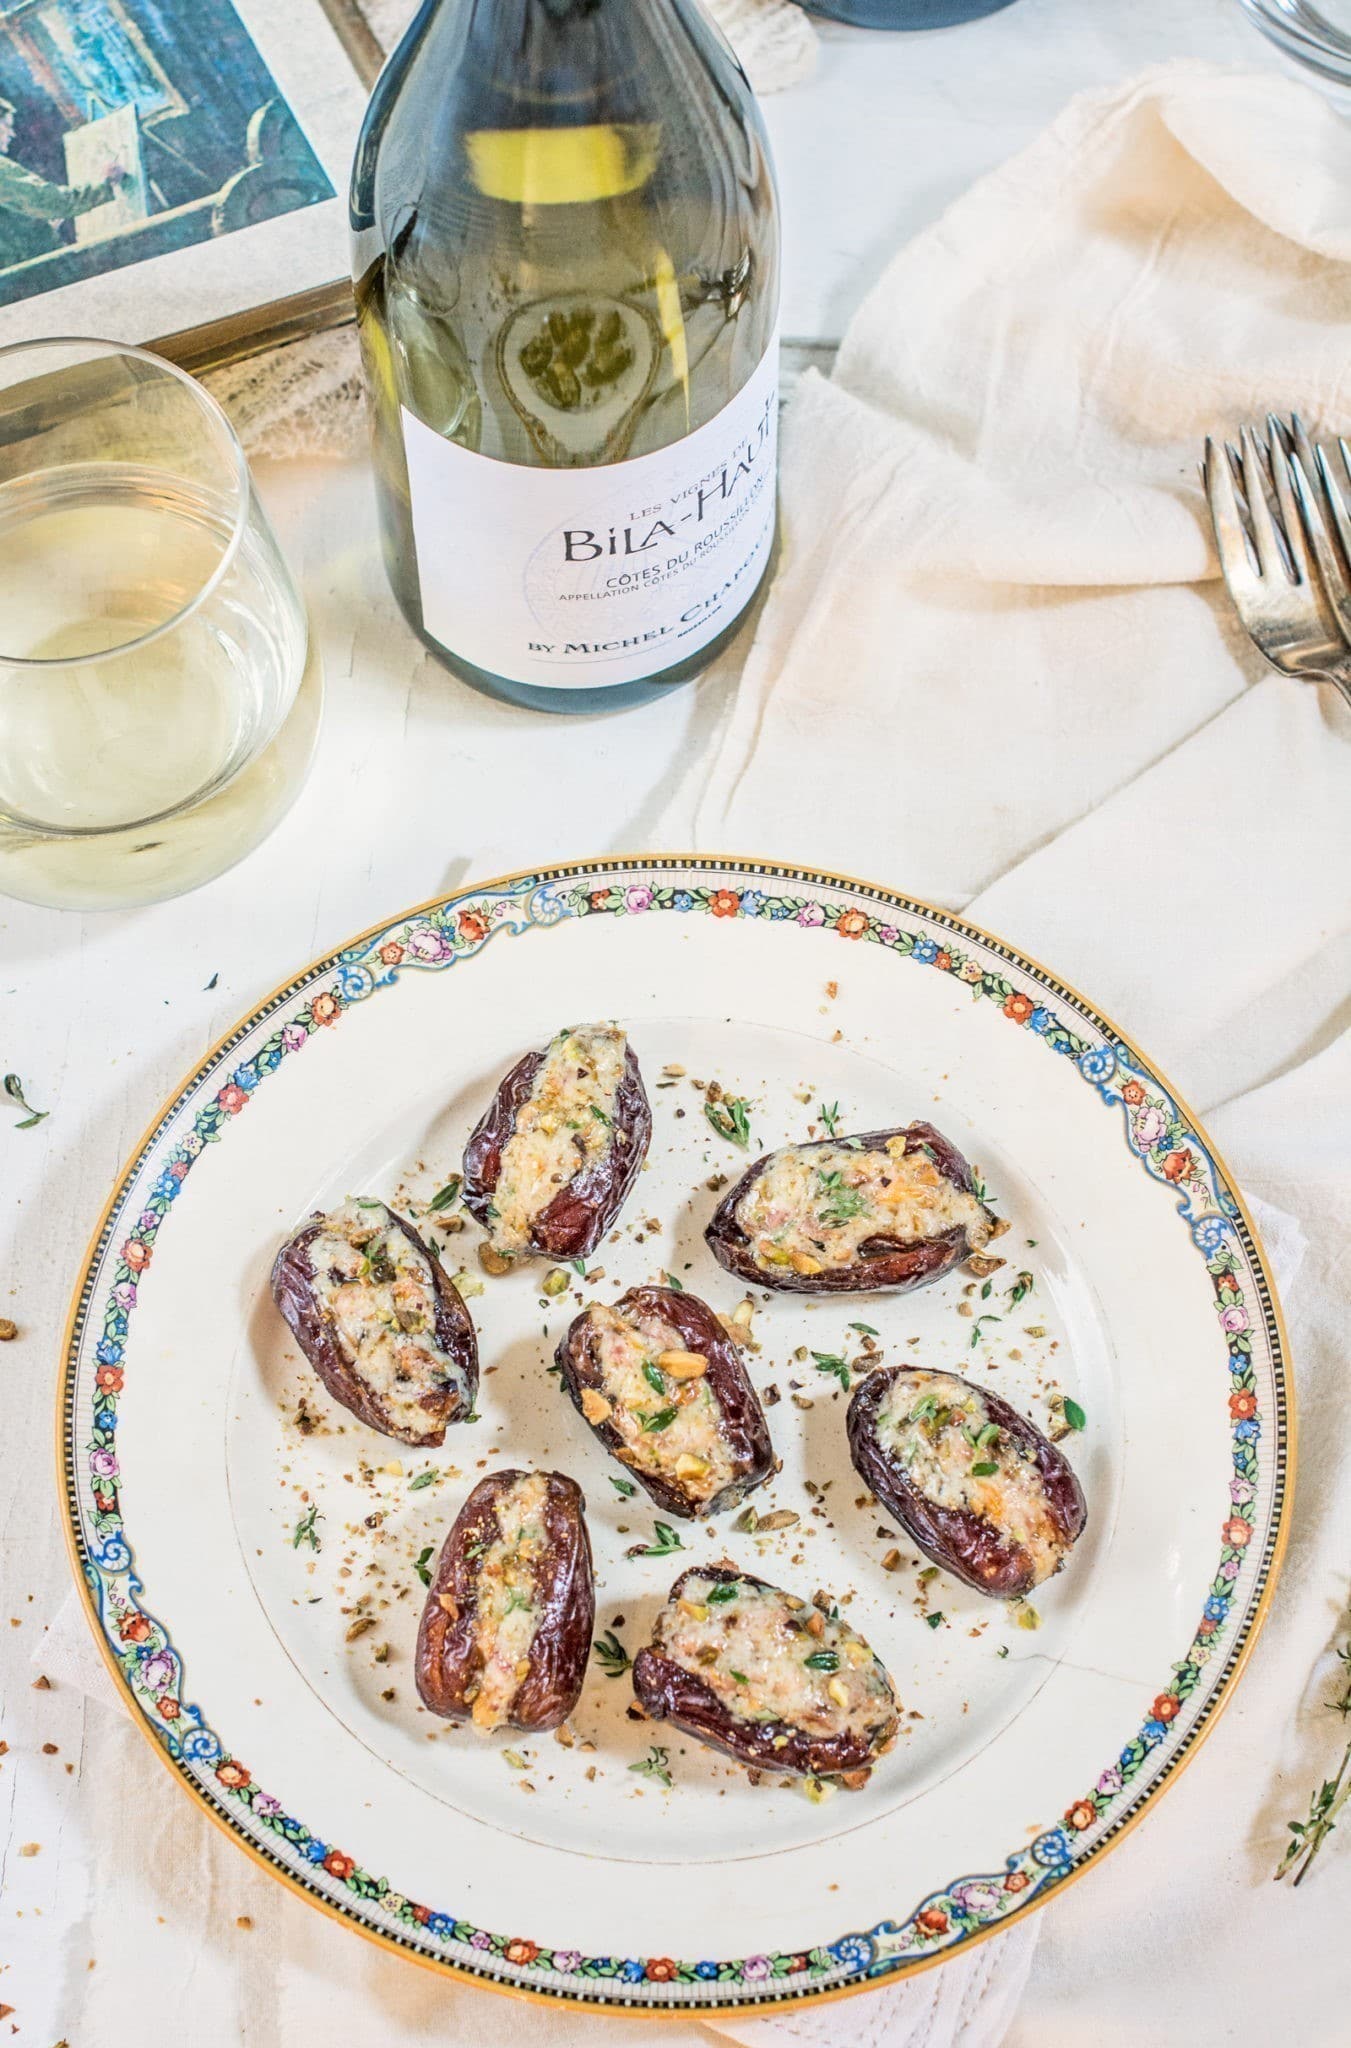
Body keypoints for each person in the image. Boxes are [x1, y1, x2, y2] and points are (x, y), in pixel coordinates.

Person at [0, 96, 126, 271]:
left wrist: (37, 229)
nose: (11, 133)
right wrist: (103, 184)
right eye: (6, 125)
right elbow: (50, 201)